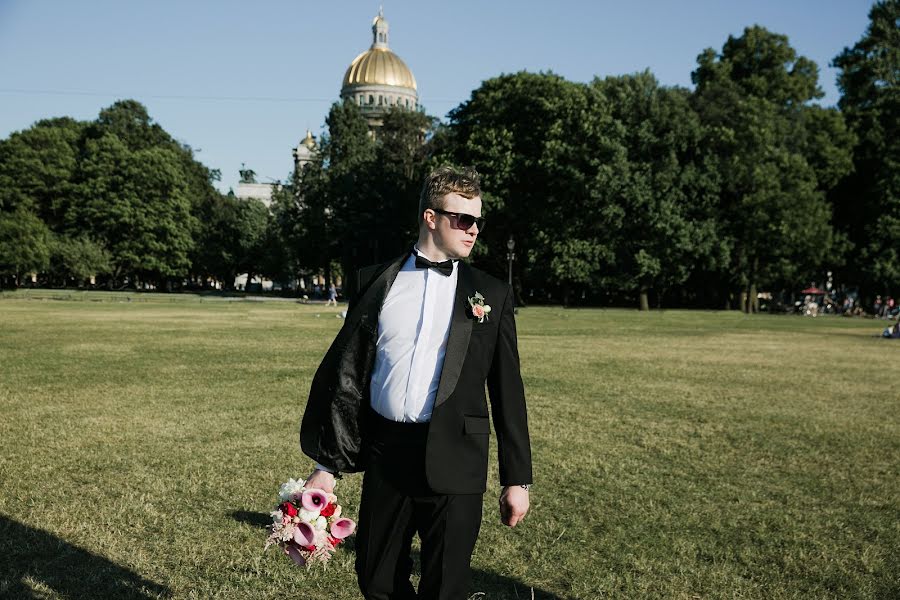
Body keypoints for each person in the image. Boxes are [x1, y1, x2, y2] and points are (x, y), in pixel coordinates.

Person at [300, 166, 532, 600]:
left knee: (445, 588)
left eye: (479, 220)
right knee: (377, 580)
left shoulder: (491, 293)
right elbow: (349, 377)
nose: (474, 229)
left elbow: (508, 391)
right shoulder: (375, 282)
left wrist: (516, 479)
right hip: (387, 455)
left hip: (457, 458)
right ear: (430, 218)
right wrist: (327, 467)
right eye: (463, 219)